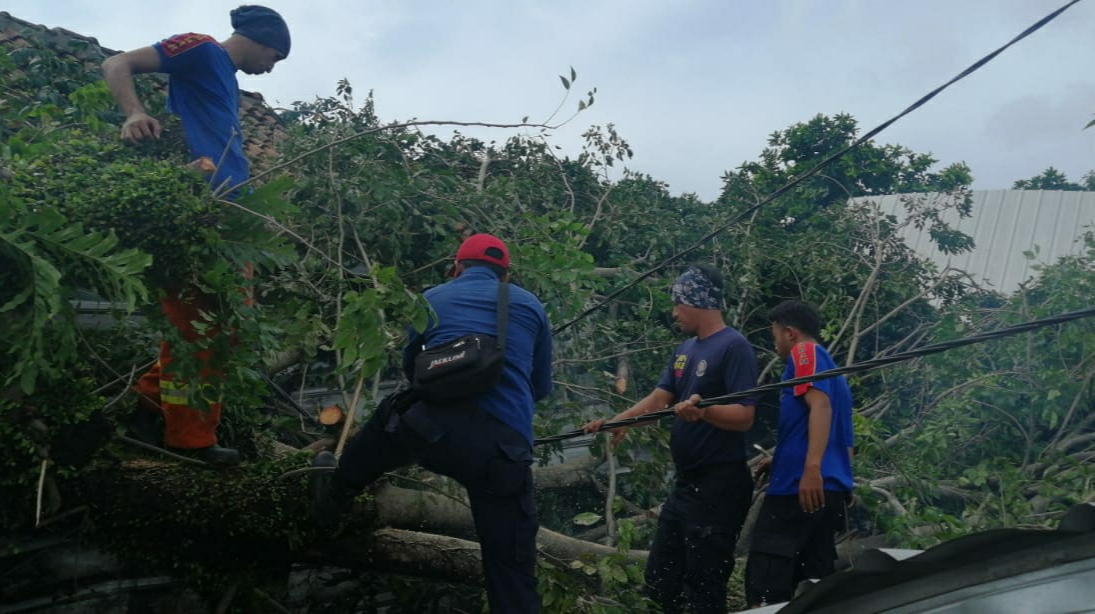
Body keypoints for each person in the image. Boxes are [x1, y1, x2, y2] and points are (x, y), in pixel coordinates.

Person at [311, 233, 554, 613]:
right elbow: (540, 388)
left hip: (429, 432)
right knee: (512, 572)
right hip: (501, 451)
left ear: (456, 268)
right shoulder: (531, 306)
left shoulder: (433, 297)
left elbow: (413, 370)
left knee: (391, 414)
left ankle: (334, 498)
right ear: (506, 276)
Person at [102, 5, 291, 465]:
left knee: (230, 328)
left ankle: (151, 403)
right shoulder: (203, 48)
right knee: (199, 327)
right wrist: (133, 114)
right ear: (262, 41)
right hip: (202, 215)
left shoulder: (224, 77)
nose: (268, 70)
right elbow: (116, 63)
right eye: (274, 59)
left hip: (231, 216)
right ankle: (189, 439)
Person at [583, 264, 759, 613]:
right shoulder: (685, 349)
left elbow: (745, 416)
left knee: (704, 583)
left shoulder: (733, 346)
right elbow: (658, 399)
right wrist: (617, 422)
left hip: (720, 484)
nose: (674, 311)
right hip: (686, 485)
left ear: (697, 300)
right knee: (661, 579)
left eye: (678, 302)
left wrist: (705, 412)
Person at [745, 299, 855, 606]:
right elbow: (844, 437)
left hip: (800, 487)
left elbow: (818, 405)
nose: (776, 344)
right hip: (828, 489)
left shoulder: (804, 352)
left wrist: (811, 469)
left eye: (775, 336)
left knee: (766, 579)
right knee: (814, 584)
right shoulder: (836, 372)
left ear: (790, 333)